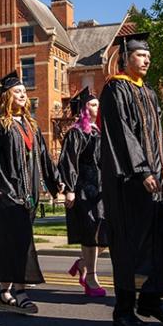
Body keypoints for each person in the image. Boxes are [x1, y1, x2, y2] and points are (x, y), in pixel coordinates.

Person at [99, 32, 163, 326]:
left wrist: (161, 172)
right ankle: (124, 310)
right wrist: (142, 171)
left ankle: (151, 300)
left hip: (156, 180)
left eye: (148, 55)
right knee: (131, 245)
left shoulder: (148, 92)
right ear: (124, 58)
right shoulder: (115, 90)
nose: (147, 58)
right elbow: (122, 136)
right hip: (129, 182)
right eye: (140, 54)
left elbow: (154, 139)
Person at [0, 72, 63, 314]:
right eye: (17, 91)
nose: (23, 94)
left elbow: (44, 158)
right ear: (6, 96)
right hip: (5, 194)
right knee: (22, 242)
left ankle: (4, 292)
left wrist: (56, 183)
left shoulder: (31, 125)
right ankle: (21, 292)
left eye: (24, 91)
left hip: (28, 195)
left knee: (11, 243)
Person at [58, 87, 108, 297]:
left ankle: (82, 263)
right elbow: (68, 161)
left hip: (100, 190)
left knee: (105, 235)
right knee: (90, 236)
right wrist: (69, 189)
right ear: (85, 108)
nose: (98, 107)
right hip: (83, 190)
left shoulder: (98, 131)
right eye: (94, 104)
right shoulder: (77, 132)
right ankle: (91, 278)